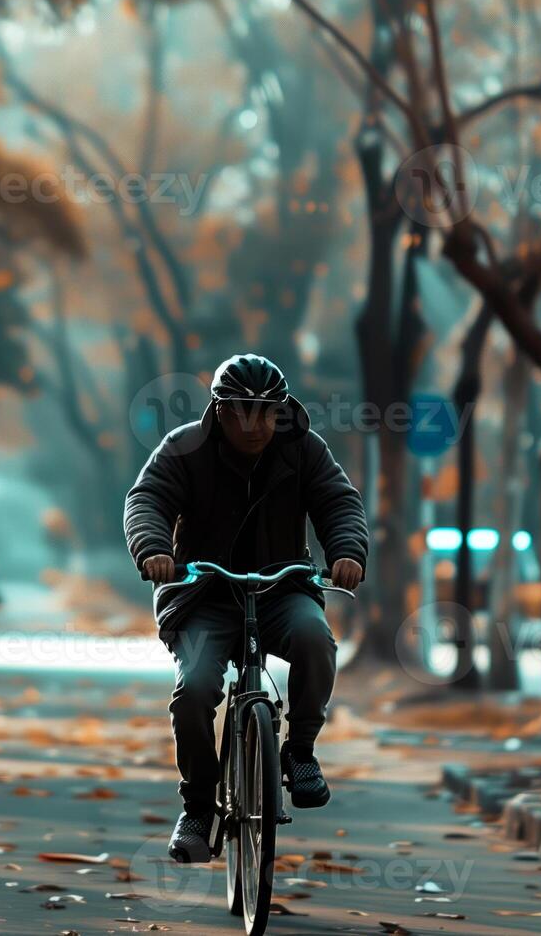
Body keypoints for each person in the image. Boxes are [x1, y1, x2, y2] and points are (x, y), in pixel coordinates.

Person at [124, 353, 367, 863]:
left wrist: (346, 552)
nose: (256, 424)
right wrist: (154, 549)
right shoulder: (185, 447)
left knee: (316, 640)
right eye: (242, 411)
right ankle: (197, 808)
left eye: (267, 411)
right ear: (220, 410)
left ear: (282, 410)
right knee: (193, 692)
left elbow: (337, 502)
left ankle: (299, 750)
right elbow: (148, 499)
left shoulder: (303, 448)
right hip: (203, 596)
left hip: (283, 591)